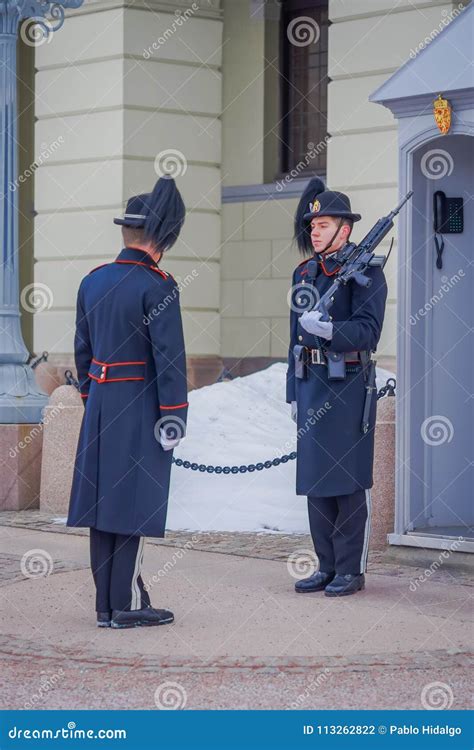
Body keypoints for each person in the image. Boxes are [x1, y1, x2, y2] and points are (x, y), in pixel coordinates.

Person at [67, 176, 188, 628]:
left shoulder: (93, 281)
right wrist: (174, 417)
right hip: (141, 406)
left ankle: (106, 605)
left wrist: (92, 395)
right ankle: (127, 607)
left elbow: (82, 352)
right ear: (159, 236)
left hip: (100, 403)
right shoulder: (158, 286)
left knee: (104, 506)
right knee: (134, 506)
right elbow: (170, 361)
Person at [287, 178, 388, 596]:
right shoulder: (305, 272)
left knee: (346, 481)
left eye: (323, 224)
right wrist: (292, 390)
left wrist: (331, 330)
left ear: (345, 229)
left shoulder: (367, 272)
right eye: (312, 224)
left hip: (347, 385)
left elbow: (369, 331)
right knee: (315, 479)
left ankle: (351, 569)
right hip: (311, 382)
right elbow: (292, 335)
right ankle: (326, 565)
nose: (314, 230)